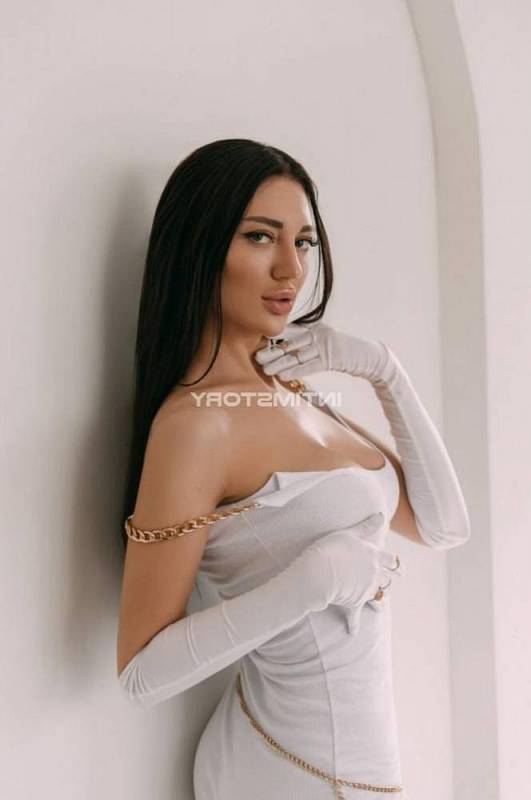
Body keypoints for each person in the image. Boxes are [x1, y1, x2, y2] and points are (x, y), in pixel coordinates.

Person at [116, 138, 471, 799]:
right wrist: (312, 582)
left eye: (304, 242)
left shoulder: (295, 391)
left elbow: (444, 527)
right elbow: (140, 675)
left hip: (348, 771)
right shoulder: (197, 425)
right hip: (285, 771)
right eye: (259, 237)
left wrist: (383, 370)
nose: (291, 268)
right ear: (200, 247)